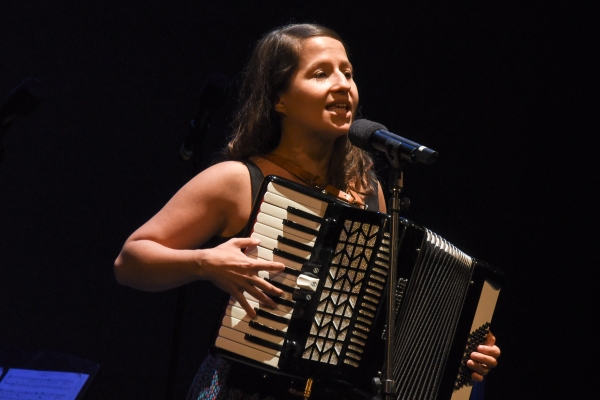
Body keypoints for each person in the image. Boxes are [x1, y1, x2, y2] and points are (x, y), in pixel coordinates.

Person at [114, 23, 500, 400]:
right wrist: (204, 263)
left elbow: (381, 317)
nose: (342, 84)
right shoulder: (237, 180)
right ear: (279, 98)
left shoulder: (368, 191)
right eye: (320, 74)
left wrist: (455, 353)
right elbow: (130, 261)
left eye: (347, 73)